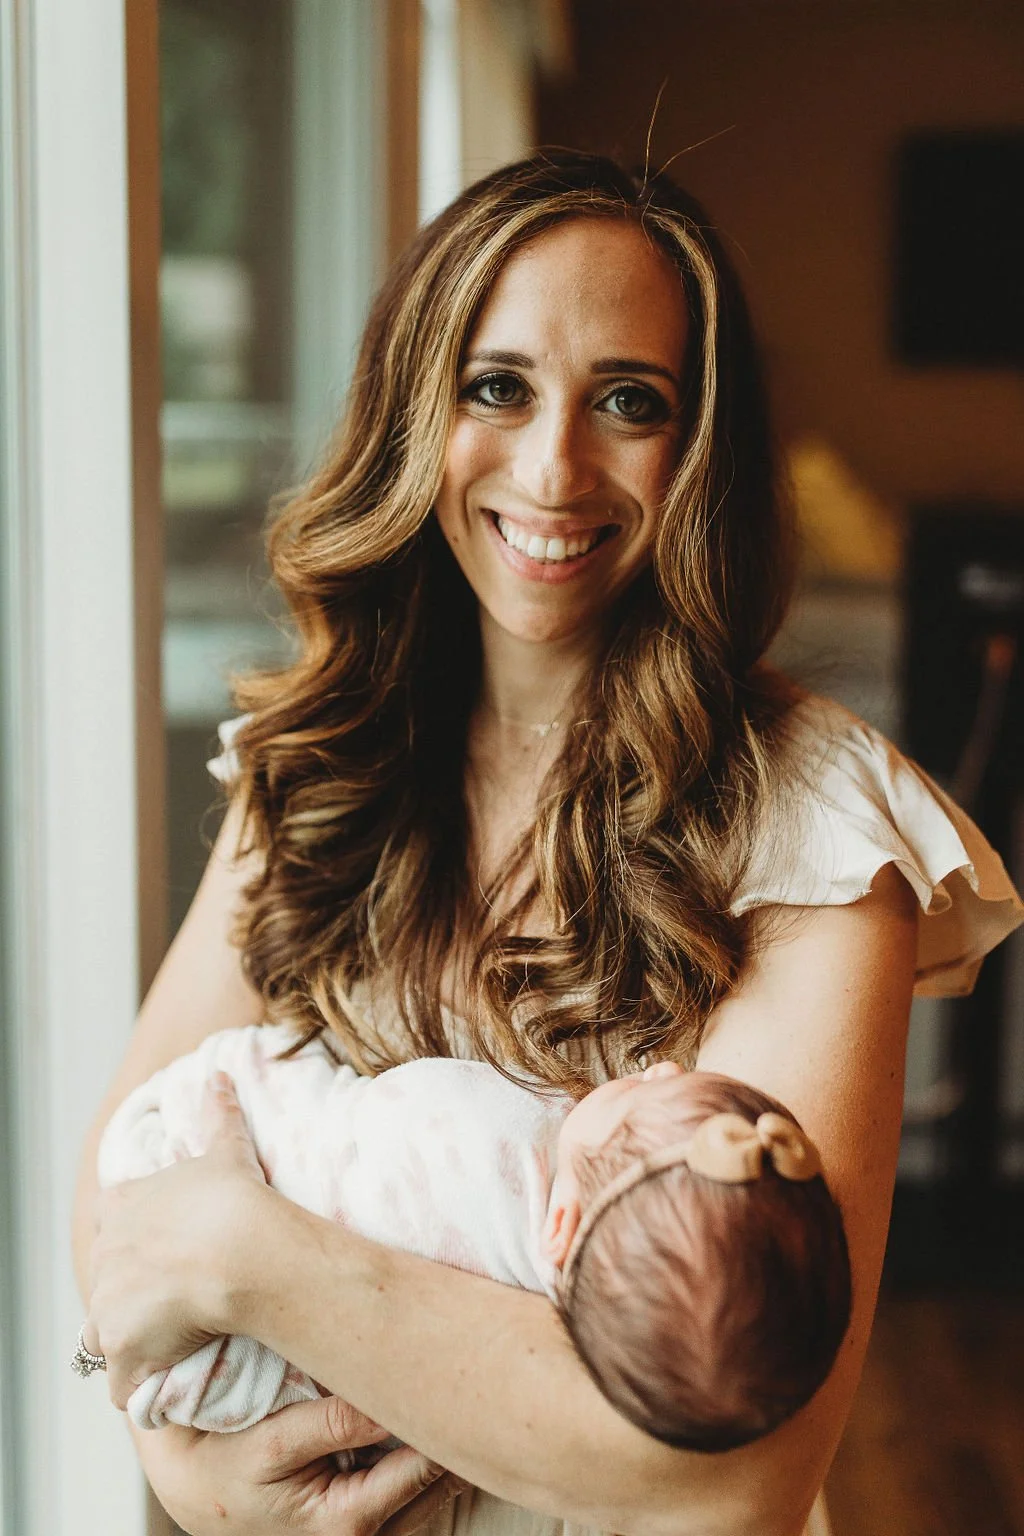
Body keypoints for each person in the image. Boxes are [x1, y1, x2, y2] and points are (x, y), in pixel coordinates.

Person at [75, 151, 1023, 1536]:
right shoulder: (322, 760)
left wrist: (252, 1260)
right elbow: (114, 1223)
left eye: (629, 400)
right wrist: (191, 1476)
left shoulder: (817, 824)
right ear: (416, 408)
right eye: (497, 386)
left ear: (698, 450)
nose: (553, 468)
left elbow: (738, 1477)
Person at [97, 1025, 851, 1455]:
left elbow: (374, 1118)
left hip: (192, 1171)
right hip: (197, 1344)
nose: (661, 1067)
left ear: (561, 1228)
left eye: (636, 1099)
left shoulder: (506, 1136)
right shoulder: (550, 1341)